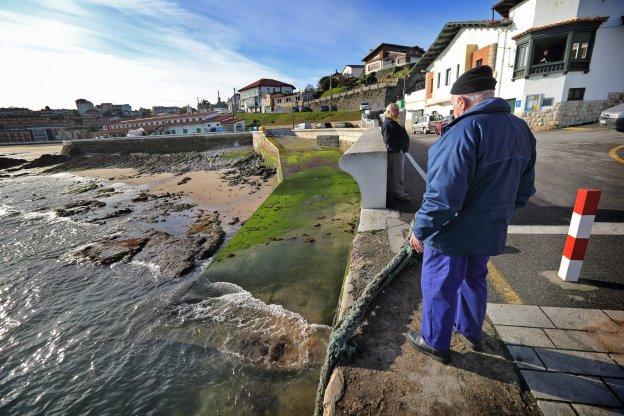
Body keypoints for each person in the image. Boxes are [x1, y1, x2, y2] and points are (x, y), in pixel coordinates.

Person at [407, 65, 536, 363]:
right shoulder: (520, 129)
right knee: (475, 278)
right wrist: (498, 215)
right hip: (489, 229)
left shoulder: (463, 131)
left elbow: (442, 197)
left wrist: (419, 229)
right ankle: (471, 331)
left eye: (453, 104)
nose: (453, 110)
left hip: (453, 234)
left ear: (462, 102)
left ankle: (435, 342)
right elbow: (525, 190)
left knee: (440, 284)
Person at [381, 103, 411, 203]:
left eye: (398, 110)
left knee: (398, 174)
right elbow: (387, 140)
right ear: (388, 112)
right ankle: (399, 194)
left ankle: (398, 193)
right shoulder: (388, 123)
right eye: (395, 110)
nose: (398, 112)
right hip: (395, 153)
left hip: (397, 152)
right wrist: (398, 148)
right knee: (397, 175)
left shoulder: (392, 121)